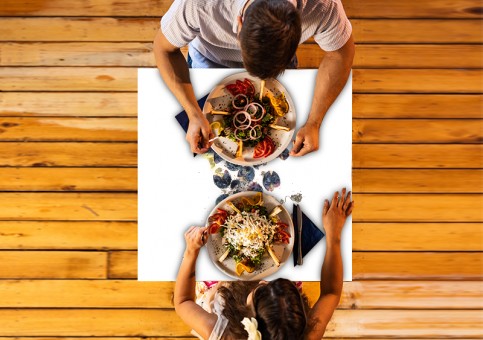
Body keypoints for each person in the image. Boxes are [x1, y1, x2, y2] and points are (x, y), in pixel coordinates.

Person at [154, 0, 355, 156]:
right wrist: (193, 113)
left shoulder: (323, 6)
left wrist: (314, 122)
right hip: (209, 60)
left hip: (281, 68)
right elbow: (163, 49)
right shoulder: (197, 5)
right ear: (239, 23)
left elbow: (340, 54)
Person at [174, 188, 353, 339]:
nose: (264, 281)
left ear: (249, 318)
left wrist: (191, 251)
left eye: (262, 289)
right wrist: (334, 235)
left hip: (223, 293)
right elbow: (331, 293)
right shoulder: (306, 335)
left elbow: (182, 302)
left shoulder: (225, 334)